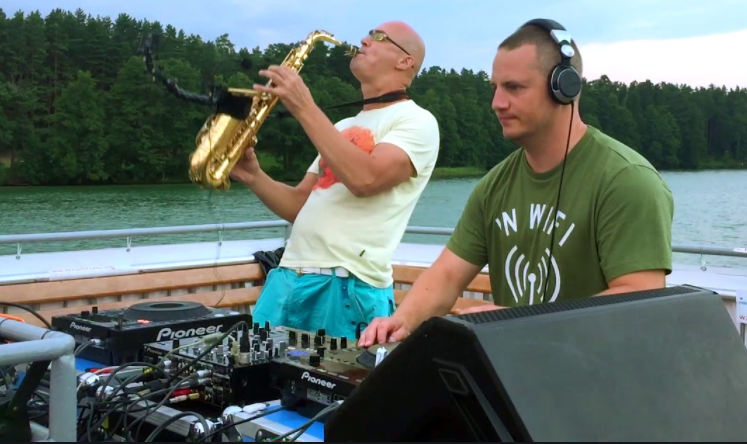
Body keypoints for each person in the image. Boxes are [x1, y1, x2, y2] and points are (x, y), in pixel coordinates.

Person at [359, 19, 674, 347]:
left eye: (514, 88)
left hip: (597, 373)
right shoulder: (494, 185)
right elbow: (448, 275)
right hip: (515, 370)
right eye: (495, 88)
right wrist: (402, 321)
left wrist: (517, 322)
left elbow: (639, 300)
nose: (497, 102)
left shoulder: (627, 181)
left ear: (563, 88)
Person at [229, 21, 440, 340]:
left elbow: (366, 179)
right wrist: (254, 176)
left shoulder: (417, 121)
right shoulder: (340, 127)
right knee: (256, 370)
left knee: (340, 376)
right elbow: (300, 205)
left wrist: (304, 106)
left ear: (405, 61)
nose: (364, 40)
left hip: (348, 286)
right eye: (367, 34)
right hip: (286, 278)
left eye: (378, 37)